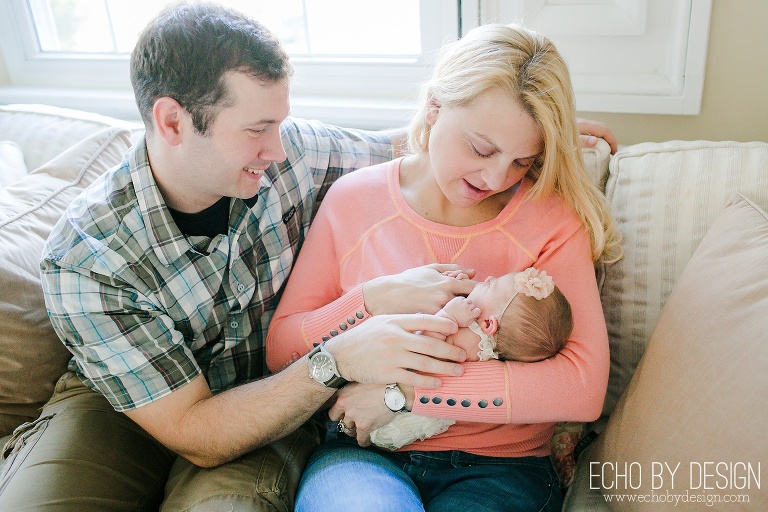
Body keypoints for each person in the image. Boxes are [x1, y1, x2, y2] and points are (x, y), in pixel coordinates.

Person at [0, 4, 616, 511]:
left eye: (281, 124)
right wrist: (358, 323)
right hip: (149, 404)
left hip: (317, 418)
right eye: (256, 130)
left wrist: (539, 138)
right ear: (172, 122)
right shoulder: (88, 259)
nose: (277, 148)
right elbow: (198, 430)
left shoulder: (296, 156)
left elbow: (414, 148)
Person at [265, 21, 623, 512]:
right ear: (434, 108)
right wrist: (367, 301)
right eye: (481, 148)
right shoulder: (355, 201)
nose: (496, 177)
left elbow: (581, 387)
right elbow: (281, 347)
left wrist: (405, 395)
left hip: (502, 465)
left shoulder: (552, 218)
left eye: (522, 160)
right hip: (364, 455)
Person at [369, 267, 573, 451]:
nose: (489, 276)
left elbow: (423, 357)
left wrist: (448, 316)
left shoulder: (467, 341)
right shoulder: (483, 342)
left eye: (490, 285)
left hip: (392, 411)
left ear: (487, 325)